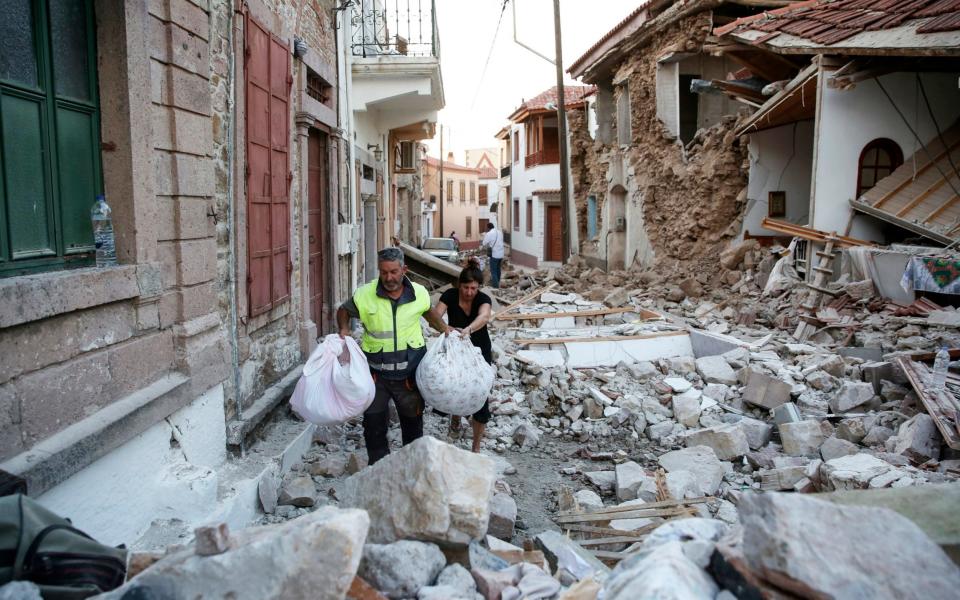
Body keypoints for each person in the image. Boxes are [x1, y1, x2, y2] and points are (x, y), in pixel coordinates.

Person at [337, 247, 449, 464]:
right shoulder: (364, 294)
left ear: (404, 269)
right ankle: (378, 470)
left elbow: (429, 313)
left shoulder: (419, 293)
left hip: (409, 374)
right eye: (384, 272)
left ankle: (411, 470)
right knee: (374, 425)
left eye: (394, 272)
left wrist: (444, 328)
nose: (389, 278)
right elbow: (344, 310)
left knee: (413, 425)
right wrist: (344, 329)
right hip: (376, 375)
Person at [433, 259, 493, 453]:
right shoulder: (449, 295)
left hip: (479, 351)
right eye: (466, 287)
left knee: (480, 394)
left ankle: (476, 448)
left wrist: (468, 329)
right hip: (456, 350)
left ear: (479, 287)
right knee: (454, 386)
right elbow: (435, 316)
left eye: (473, 288)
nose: (469, 292)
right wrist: (447, 329)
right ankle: (456, 418)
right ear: (459, 285)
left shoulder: (483, 299)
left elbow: (484, 317)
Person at [481, 222, 504, 288]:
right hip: (501, 254)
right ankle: (498, 282)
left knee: (493, 271)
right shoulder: (499, 232)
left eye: (486, 228)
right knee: (498, 269)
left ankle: (496, 287)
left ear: (488, 228)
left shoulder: (489, 234)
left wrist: (485, 235)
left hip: (494, 255)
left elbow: (484, 243)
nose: (486, 229)